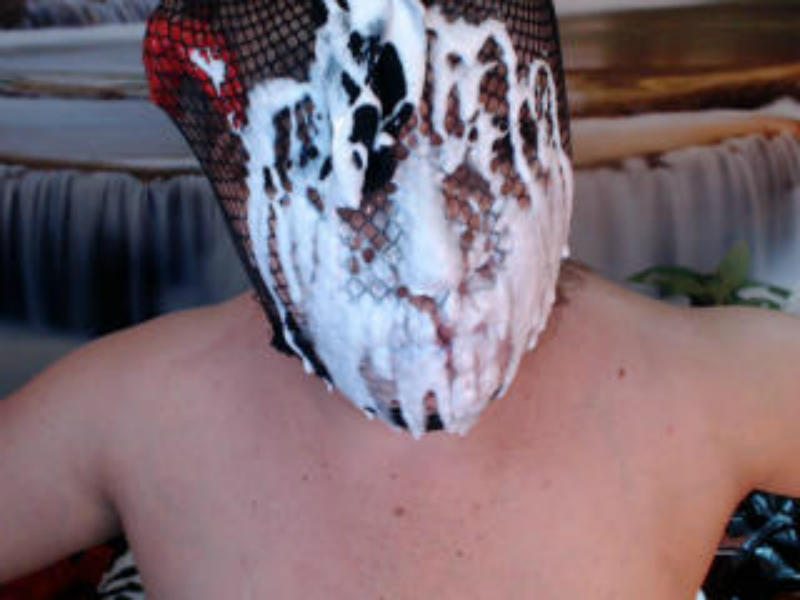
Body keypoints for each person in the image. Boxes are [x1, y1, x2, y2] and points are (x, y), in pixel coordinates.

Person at [2, 1, 799, 597]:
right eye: (356, 182)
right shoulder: (134, 417)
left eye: (482, 157)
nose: (435, 264)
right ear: (247, 183)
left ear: (544, 132)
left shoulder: (700, 388)